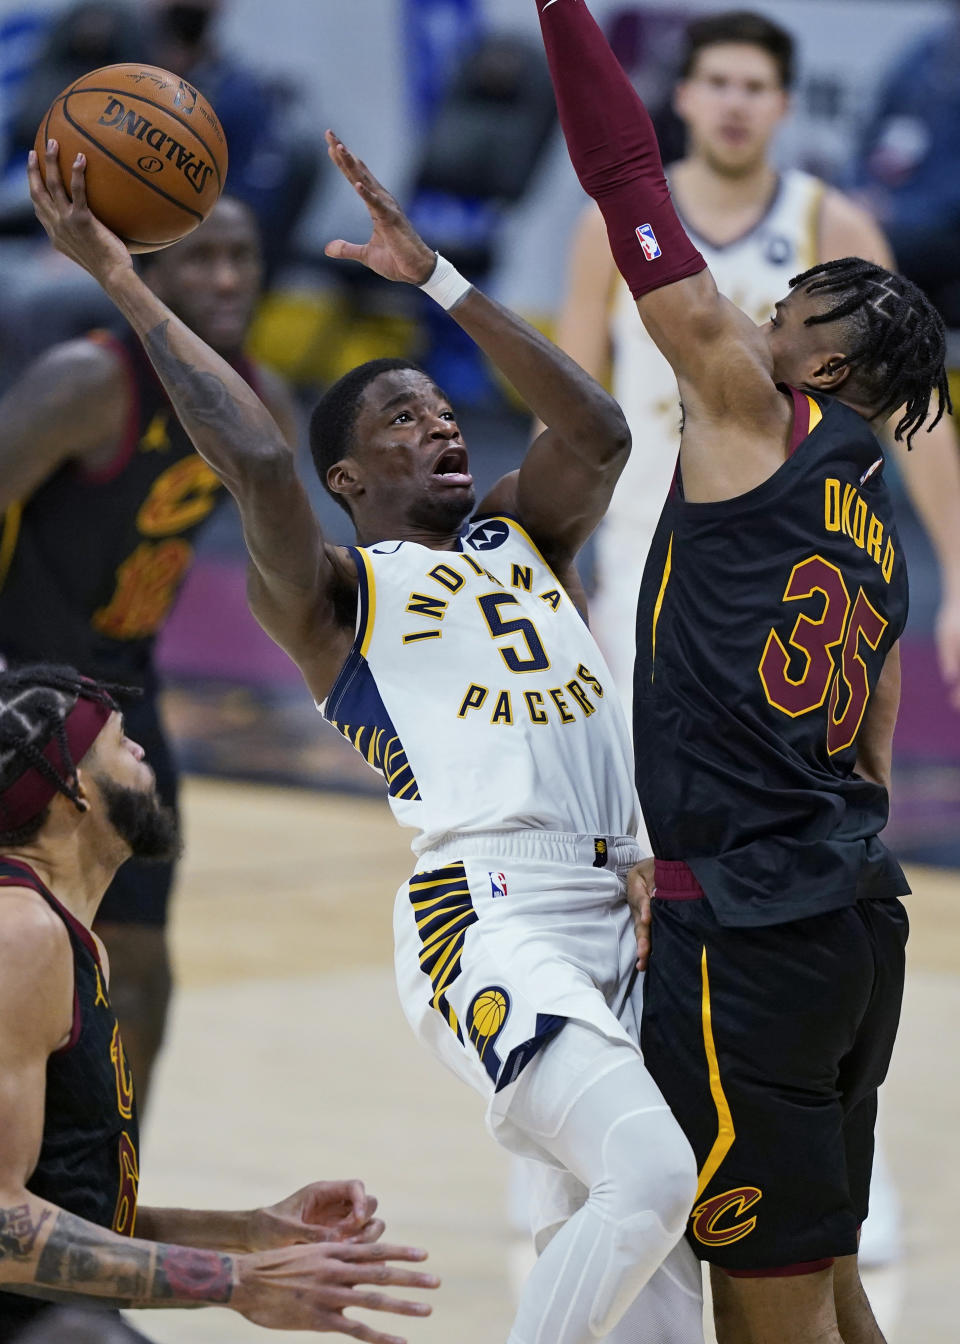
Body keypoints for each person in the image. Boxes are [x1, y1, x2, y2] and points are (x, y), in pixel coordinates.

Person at [28, 136, 706, 1344]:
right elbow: (247, 458)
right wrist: (127, 280)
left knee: (652, 1266)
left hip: (632, 904)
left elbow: (599, 428)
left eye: (446, 410)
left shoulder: (519, 536)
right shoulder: (338, 594)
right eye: (406, 418)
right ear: (346, 473)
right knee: (650, 1178)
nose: (443, 426)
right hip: (490, 918)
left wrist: (439, 279)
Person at [534, 2, 952, 1343]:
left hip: (749, 941)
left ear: (826, 361)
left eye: (794, 304)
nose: (763, 304)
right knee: (833, 1291)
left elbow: (626, 186)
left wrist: (561, 13)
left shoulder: (743, 409)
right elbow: (876, 743)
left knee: (765, 1317)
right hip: (855, 916)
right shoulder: (873, 512)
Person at [0, 662, 438, 1342]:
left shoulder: (60, 933)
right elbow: (3, 1229)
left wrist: (251, 1236)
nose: (144, 749)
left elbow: (68, 1213)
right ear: (73, 790)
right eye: (121, 742)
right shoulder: (19, 936)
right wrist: (235, 1283)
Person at [557, 8, 960, 719]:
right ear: (683, 96)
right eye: (717, 82)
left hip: (797, 562)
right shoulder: (610, 230)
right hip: (647, 549)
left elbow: (914, 420)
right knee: (646, 805)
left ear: (785, 105)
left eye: (754, 86)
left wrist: (959, 576)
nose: (734, 102)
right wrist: (547, 550)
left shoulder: (835, 227)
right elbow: (565, 404)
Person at [0, 196, 298, 1114]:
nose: (227, 278)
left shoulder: (256, 402)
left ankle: (111, 1181)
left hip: (126, 698)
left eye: (242, 256)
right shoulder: (84, 382)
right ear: (149, 273)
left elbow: (299, 568)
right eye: (201, 257)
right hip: (22, 694)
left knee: (140, 969)